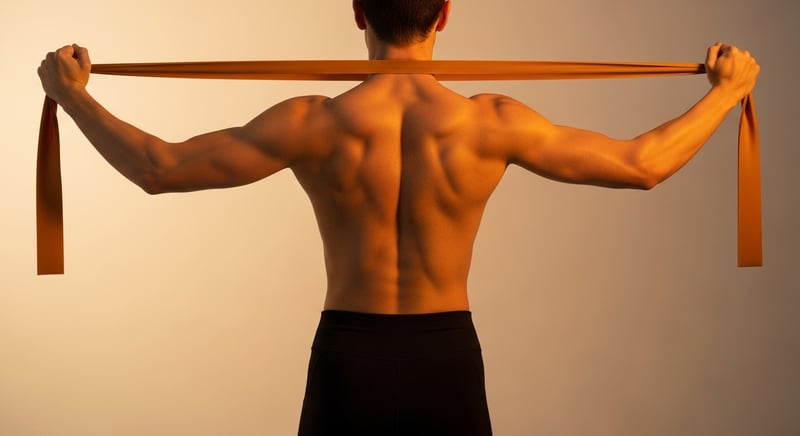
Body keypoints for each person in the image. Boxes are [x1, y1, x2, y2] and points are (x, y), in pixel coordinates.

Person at [38, 0, 759, 434]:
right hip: (445, 361)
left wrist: (73, 96)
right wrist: (727, 94)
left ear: (357, 12)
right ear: (445, 13)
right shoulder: (489, 124)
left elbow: (158, 169)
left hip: (349, 363)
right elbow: (643, 165)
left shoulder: (313, 124)